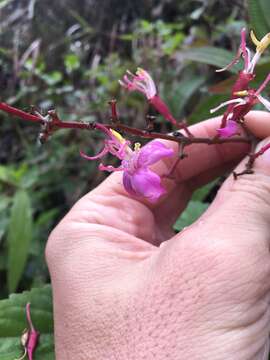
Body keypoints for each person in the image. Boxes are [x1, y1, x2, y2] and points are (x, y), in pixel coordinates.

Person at [46, 111, 270, 359]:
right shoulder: (135, 175)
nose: (124, 151)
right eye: (123, 154)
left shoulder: (145, 162)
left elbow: (159, 157)